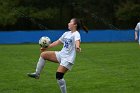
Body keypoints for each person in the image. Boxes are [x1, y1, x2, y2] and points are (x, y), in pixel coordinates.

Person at [27, 18, 88, 93]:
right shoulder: (66, 33)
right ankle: (37, 74)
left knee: (59, 76)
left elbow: (77, 41)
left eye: (70, 22)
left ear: (75, 25)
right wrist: (46, 48)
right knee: (43, 55)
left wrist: (78, 47)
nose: (68, 23)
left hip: (68, 59)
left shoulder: (76, 34)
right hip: (61, 54)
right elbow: (57, 42)